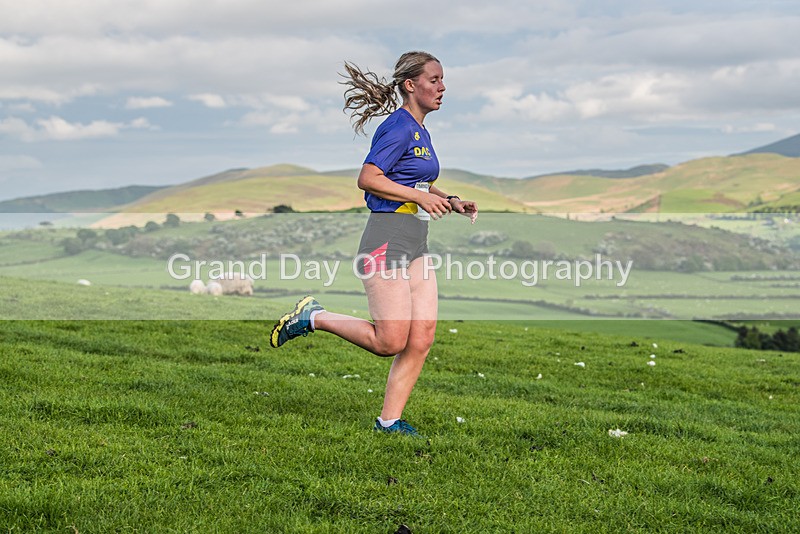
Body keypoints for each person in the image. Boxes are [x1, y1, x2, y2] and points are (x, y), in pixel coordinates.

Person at [270, 51, 478, 438]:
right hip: (385, 240)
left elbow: (414, 180)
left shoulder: (420, 130)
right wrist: (419, 199)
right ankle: (312, 316)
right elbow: (368, 177)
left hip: (415, 242)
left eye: (443, 80)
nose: (442, 87)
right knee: (390, 341)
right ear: (410, 85)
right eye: (434, 80)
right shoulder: (397, 127)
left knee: (423, 336)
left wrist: (449, 199)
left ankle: (388, 422)